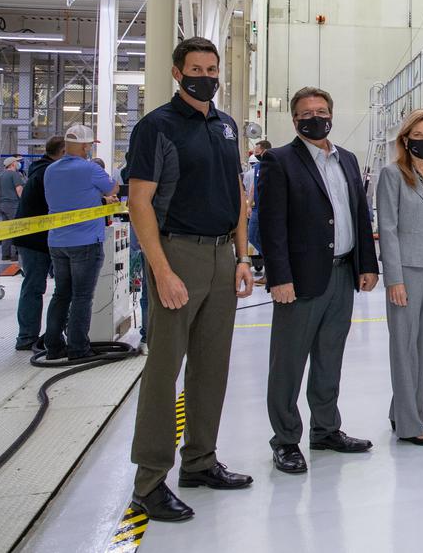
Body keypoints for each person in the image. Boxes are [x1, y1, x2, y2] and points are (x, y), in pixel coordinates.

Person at [124, 37, 255, 522]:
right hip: (176, 253)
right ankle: (149, 482)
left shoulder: (226, 126)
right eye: (196, 69)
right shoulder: (156, 126)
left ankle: (200, 461)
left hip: (222, 255)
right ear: (177, 73)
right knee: (164, 371)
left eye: (212, 69)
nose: (206, 77)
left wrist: (243, 257)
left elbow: (237, 195)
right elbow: (139, 202)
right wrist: (161, 271)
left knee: (211, 366)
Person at [258, 88, 379, 474]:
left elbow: (359, 215)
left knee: (330, 358)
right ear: (295, 120)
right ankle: (285, 440)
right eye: (307, 113)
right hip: (299, 280)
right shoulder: (279, 161)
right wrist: (279, 277)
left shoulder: (347, 159)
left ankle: (325, 430)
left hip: (342, 274)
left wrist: (367, 263)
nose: (316, 117)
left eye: (322, 111)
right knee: (288, 364)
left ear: (332, 114)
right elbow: (271, 226)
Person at [376, 108, 423, 447]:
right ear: (405, 140)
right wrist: (394, 279)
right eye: (417, 136)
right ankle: (410, 425)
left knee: (422, 346)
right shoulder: (393, 174)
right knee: (404, 347)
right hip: (406, 270)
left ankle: (407, 412)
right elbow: (388, 228)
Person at [41, 125, 118, 359]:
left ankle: (53, 346)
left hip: (57, 241)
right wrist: (102, 196)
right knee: (82, 297)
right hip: (85, 242)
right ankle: (78, 349)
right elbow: (112, 188)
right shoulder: (90, 168)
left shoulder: (50, 169)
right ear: (85, 147)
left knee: (61, 294)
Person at [12, 136, 65, 351]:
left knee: (39, 287)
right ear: (63, 152)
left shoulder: (40, 169)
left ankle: (42, 335)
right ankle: (27, 337)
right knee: (35, 286)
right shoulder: (48, 173)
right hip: (35, 239)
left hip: (38, 237)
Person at [244, 139, 272, 271]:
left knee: (268, 237)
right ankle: (270, 259)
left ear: (265, 151)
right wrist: (249, 205)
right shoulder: (257, 168)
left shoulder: (274, 166)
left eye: (257, 152)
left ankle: (271, 265)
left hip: (268, 209)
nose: (256, 154)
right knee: (252, 236)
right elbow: (252, 188)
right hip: (256, 209)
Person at [0, 156, 25, 261]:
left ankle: (5, 255)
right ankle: (14, 255)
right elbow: (19, 190)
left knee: (6, 230)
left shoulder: (1, 175)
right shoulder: (14, 174)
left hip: (2, 205)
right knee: (16, 230)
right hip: (13, 205)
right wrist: (24, 201)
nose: (18, 164)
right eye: (17, 162)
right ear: (12, 164)